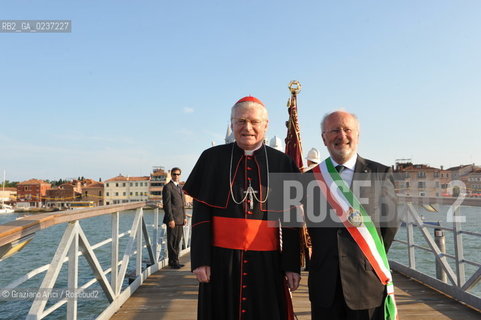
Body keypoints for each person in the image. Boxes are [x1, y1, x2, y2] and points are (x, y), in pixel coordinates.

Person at [183, 96, 301, 320]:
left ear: (266, 125)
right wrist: (200, 261)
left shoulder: (282, 162)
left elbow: (290, 220)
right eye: (240, 121)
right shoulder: (211, 159)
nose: (247, 127)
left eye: (255, 122)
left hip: (268, 263)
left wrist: (291, 265)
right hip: (220, 260)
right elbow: (201, 215)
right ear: (232, 124)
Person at [304, 110, 399, 320]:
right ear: (324, 138)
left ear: (358, 135)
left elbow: (390, 225)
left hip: (367, 282)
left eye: (348, 129)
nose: (342, 135)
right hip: (324, 284)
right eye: (334, 130)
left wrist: (368, 256)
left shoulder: (381, 173)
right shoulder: (308, 179)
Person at [162, 167, 187, 269]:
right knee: (172, 241)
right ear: (171, 175)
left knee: (177, 240)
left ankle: (175, 260)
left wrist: (184, 217)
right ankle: (173, 262)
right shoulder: (168, 187)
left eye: (178, 174)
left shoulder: (180, 187)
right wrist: (170, 219)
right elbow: (167, 205)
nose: (176, 176)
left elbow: (182, 205)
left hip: (180, 219)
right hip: (172, 219)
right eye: (174, 174)